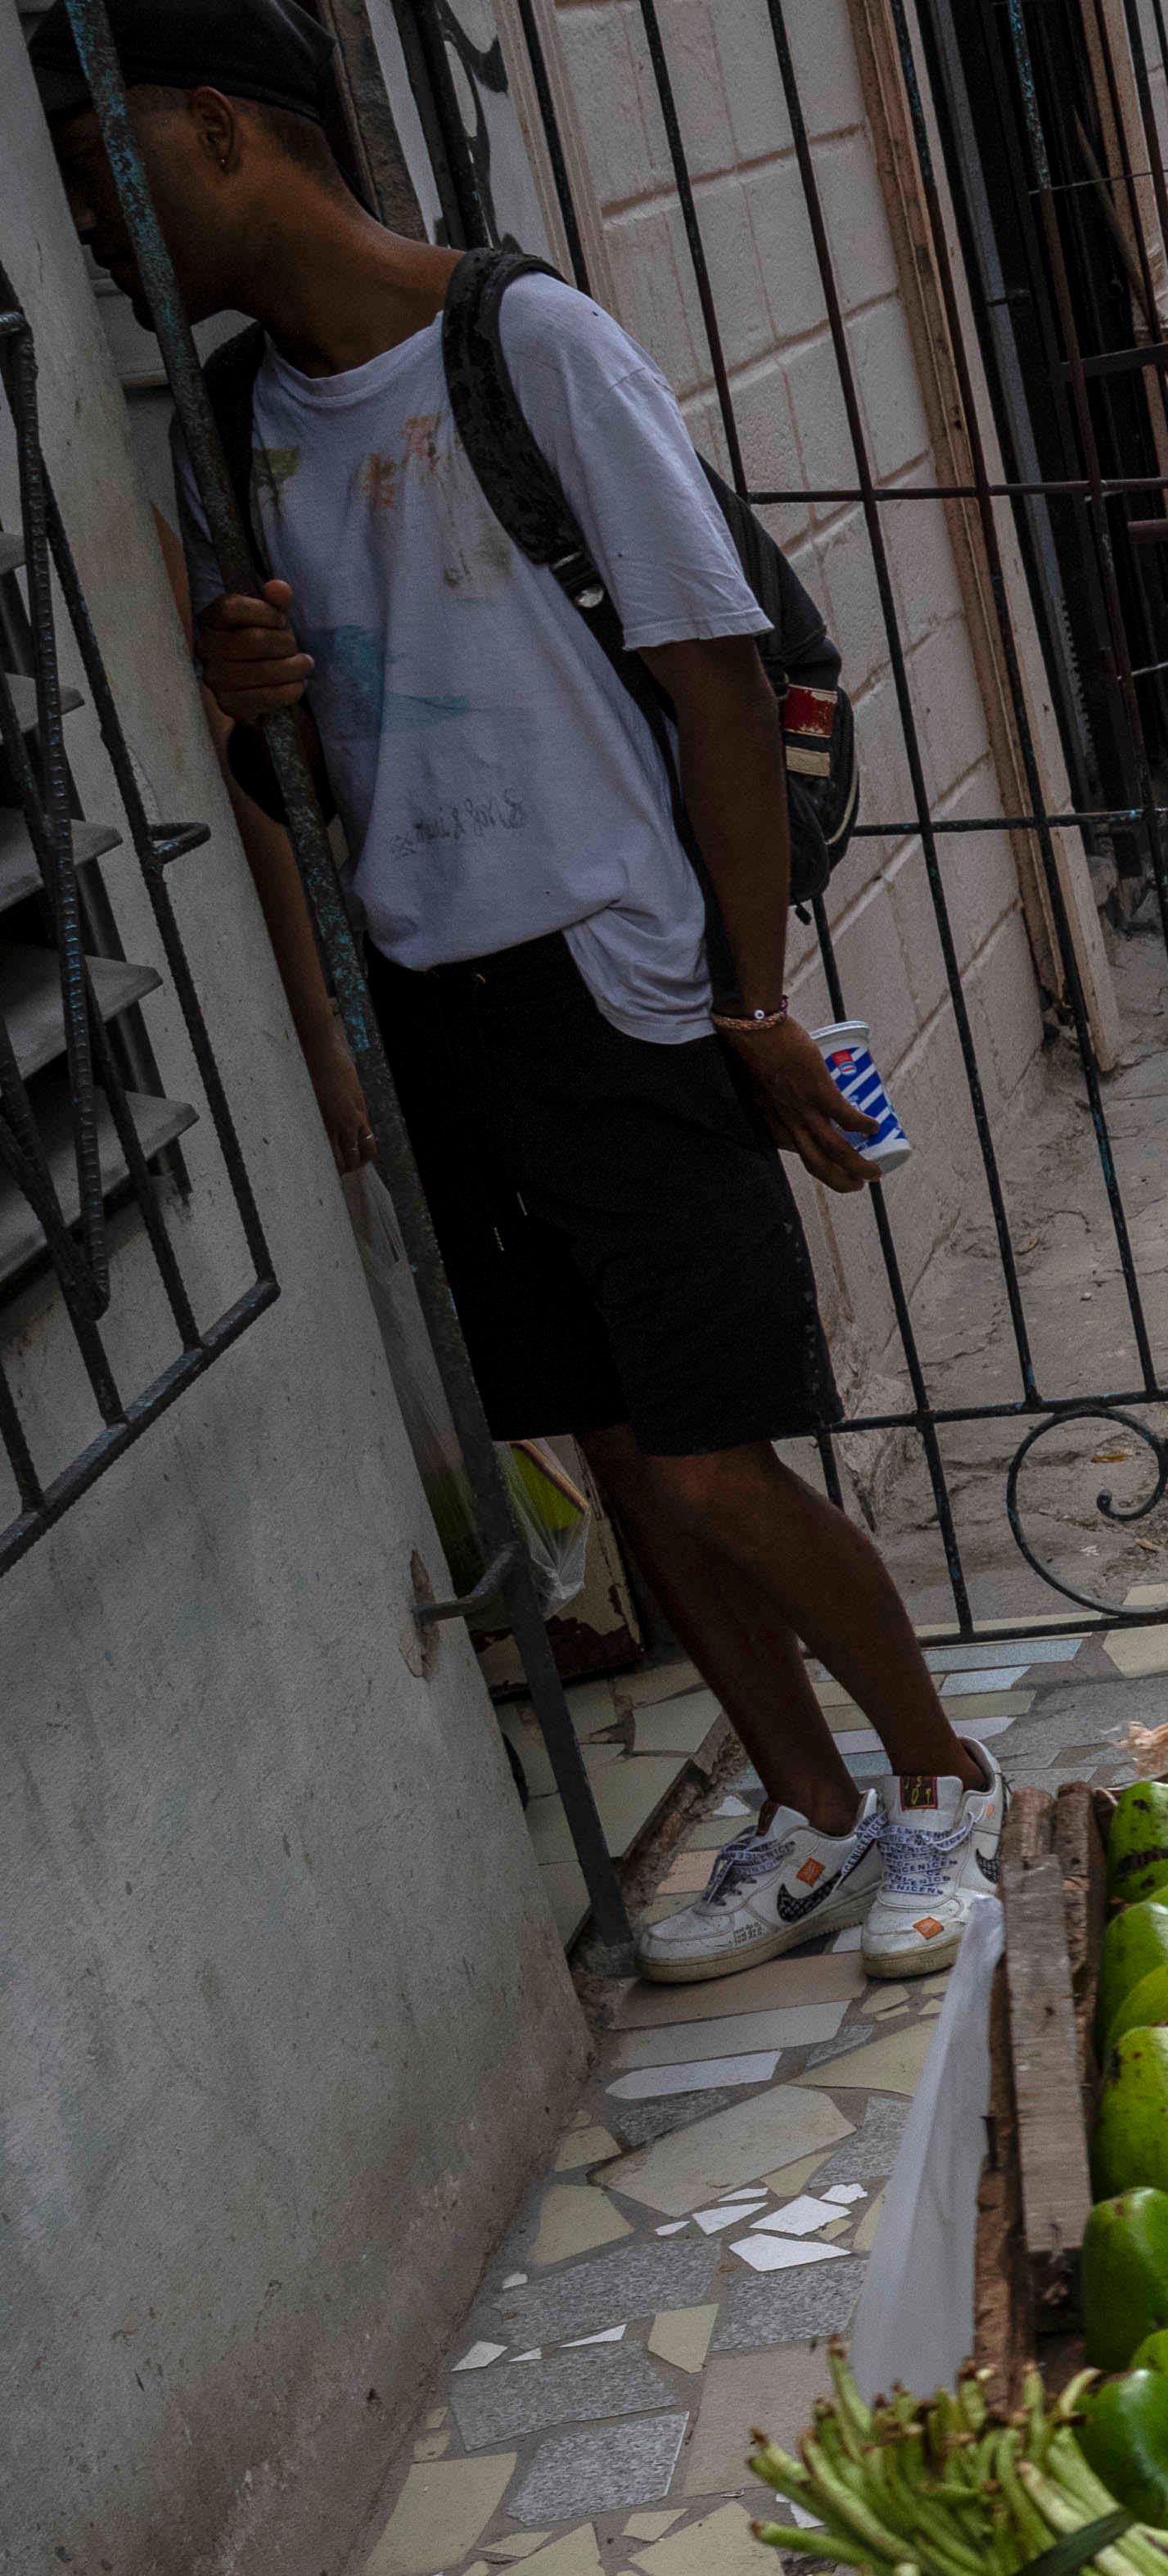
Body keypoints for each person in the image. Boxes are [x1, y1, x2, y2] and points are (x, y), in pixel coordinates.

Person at [46, 0, 998, 1987]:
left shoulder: (523, 343)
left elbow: (716, 681)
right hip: (440, 1003)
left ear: (219, 126)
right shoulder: (231, 426)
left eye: (100, 153)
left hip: (623, 978)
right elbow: (297, 774)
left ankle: (940, 1780)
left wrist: (747, 995)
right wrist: (251, 711)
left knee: (723, 1451)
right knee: (633, 1458)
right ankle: (811, 1812)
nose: (85, 212)